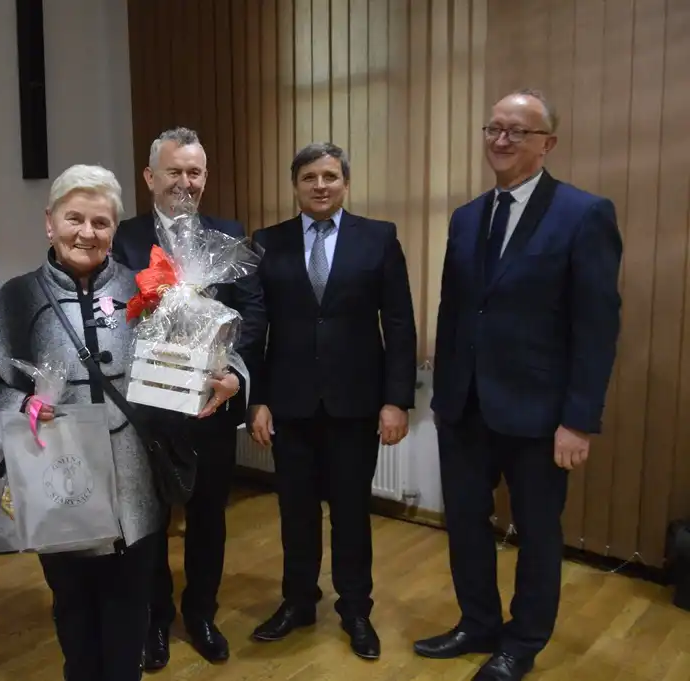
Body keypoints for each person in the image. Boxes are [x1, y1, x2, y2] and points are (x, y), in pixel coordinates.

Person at [0, 164, 239, 681]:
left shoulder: (148, 291)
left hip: (136, 490)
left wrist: (228, 376)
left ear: (114, 228)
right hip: (56, 487)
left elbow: (210, 350)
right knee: (74, 613)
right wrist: (22, 409)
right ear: (50, 223)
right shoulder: (17, 299)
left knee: (130, 612)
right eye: (74, 219)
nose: (87, 233)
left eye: (101, 222)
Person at [416, 89, 622, 681]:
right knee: (464, 524)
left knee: (536, 534)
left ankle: (522, 641)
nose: (500, 140)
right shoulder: (467, 216)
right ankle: (477, 623)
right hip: (465, 408)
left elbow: (596, 326)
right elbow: (456, 312)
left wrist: (579, 419)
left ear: (548, 144)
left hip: (539, 414)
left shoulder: (584, 214)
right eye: (493, 129)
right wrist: (442, 396)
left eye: (517, 131)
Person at [247, 142, 417, 661]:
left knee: (350, 512)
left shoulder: (379, 238)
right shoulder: (266, 243)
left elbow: (401, 324)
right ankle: (298, 602)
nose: (320, 186)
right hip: (290, 404)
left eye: (330, 176)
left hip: (356, 403)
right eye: (309, 178)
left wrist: (396, 401)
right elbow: (257, 329)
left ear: (345, 182)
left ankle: (356, 609)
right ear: (295, 186)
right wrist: (256, 400)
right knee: (295, 512)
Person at [111, 126, 266, 669]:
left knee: (208, 518)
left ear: (206, 177)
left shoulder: (230, 234)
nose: (185, 182)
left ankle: (200, 614)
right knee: (148, 519)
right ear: (150, 177)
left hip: (210, 406)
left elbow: (252, 313)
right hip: (143, 410)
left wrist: (234, 376)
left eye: (194, 172)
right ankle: (154, 619)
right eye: (174, 171)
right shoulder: (121, 237)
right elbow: (107, 318)